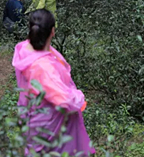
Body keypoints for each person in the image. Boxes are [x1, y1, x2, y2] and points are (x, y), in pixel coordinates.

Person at [12, 9, 94, 156]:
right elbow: (66, 102)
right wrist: (79, 96)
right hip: (49, 123)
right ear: (53, 31)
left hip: (32, 113)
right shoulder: (43, 67)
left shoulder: (24, 48)